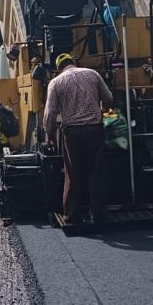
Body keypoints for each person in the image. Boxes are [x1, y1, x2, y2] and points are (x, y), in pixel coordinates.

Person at [43, 53, 113, 225]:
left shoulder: (56, 82)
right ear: (74, 62)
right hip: (95, 130)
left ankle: (72, 215)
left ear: (59, 67)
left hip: (72, 134)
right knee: (96, 174)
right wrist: (102, 111)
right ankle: (98, 215)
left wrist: (49, 134)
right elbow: (109, 99)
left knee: (73, 174)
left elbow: (50, 113)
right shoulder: (93, 74)